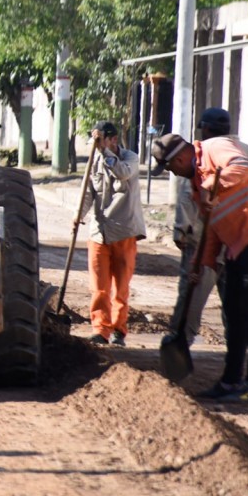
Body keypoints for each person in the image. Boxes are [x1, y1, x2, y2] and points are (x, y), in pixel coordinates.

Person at [152, 131, 248, 403]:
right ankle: (230, 381)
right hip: (239, 243)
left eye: (170, 167)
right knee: (233, 310)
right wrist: (199, 265)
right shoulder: (196, 184)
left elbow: (243, 168)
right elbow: (212, 232)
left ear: (181, 157)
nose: (172, 172)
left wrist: (211, 185)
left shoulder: (216, 147)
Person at [164, 108, 248, 346]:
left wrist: (181, 231)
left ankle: (180, 342)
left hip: (209, 238)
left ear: (205, 129)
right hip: (243, 239)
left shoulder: (206, 153)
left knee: (192, 295)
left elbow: (190, 195)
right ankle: (238, 350)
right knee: (236, 302)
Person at [76, 120, 146, 347]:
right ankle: (100, 329)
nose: (95, 146)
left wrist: (104, 152)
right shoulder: (94, 161)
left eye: (100, 140)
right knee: (99, 287)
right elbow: (88, 192)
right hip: (99, 233)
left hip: (124, 231)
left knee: (121, 288)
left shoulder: (130, 158)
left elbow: (123, 173)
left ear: (113, 140)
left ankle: (118, 330)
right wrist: (79, 215)